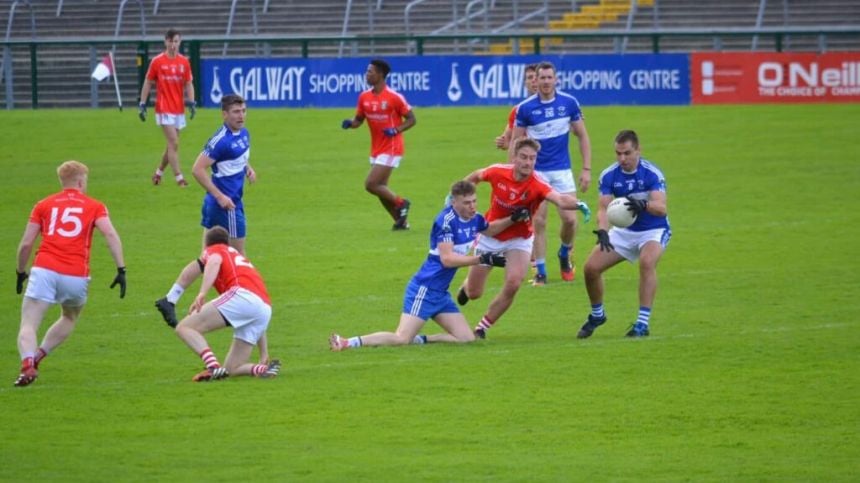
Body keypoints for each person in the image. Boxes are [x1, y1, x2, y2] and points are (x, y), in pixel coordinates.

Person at [329, 180, 527, 351]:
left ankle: (420, 339)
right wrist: (482, 259)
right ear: (454, 202)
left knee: (466, 339)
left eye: (474, 201)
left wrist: (512, 219)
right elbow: (447, 259)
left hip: (441, 293)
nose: (472, 206)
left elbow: (490, 230)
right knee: (400, 338)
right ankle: (347, 342)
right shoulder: (446, 221)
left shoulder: (474, 219)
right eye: (467, 203)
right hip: (424, 288)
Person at [13, 161, 126, 387]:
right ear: (81, 181)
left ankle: (27, 363)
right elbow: (110, 235)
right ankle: (38, 357)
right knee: (69, 317)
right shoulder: (95, 206)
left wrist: (20, 271)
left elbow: (26, 244)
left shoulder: (43, 205)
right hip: (76, 274)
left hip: (44, 269)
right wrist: (121, 269)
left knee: (29, 324)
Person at [457, 138, 584, 339]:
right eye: (524, 157)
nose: (528, 162)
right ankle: (466, 286)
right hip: (490, 235)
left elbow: (559, 199)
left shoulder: (538, 184)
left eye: (532, 158)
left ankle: (482, 327)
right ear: (514, 157)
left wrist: (578, 204)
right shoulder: (498, 171)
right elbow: (476, 176)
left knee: (514, 282)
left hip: (520, 239)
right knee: (474, 293)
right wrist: (459, 197)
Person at [577, 130, 671, 339]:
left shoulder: (652, 174)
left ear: (638, 150)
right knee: (591, 269)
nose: (622, 159)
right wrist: (602, 230)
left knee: (647, 262)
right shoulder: (609, 175)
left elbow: (661, 208)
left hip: (653, 230)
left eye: (627, 153)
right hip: (623, 232)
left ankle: (642, 324)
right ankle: (597, 315)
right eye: (618, 153)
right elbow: (603, 207)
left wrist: (644, 205)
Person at [510, 61, 592, 285]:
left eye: (549, 78)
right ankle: (541, 272)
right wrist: (512, 173)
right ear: (535, 81)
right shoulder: (526, 108)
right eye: (542, 78)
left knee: (570, 220)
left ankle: (565, 253)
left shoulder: (569, 103)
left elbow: (582, 136)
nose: (545, 82)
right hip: (536, 173)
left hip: (562, 171)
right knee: (539, 221)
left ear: (556, 79)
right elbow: (516, 141)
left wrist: (586, 169)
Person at [171, 226, 280, 381]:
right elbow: (255, 310)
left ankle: (213, 367)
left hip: (242, 297)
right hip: (264, 308)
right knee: (232, 369)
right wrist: (264, 353)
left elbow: (214, 261)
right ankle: (264, 368)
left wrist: (202, 292)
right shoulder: (237, 257)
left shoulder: (215, 250)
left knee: (184, 327)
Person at [341, 59, 417, 230]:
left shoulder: (394, 97)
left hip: (392, 147)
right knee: (381, 189)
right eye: (367, 72)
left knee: (371, 184)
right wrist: (350, 124)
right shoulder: (364, 97)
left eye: (370, 72)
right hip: (376, 149)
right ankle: (401, 223)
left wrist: (396, 130)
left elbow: (412, 119)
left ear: (381, 74)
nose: (367, 75)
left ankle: (402, 202)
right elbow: (359, 120)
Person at [192, 93, 255, 256]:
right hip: (228, 205)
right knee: (238, 257)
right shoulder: (220, 141)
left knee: (206, 258)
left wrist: (247, 168)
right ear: (224, 114)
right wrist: (220, 197)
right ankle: (242, 283)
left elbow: (238, 156)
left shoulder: (244, 133)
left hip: (217, 204)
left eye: (243, 110)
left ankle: (180, 284)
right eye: (236, 112)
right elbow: (197, 169)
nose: (241, 115)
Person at [138, 28, 196, 187]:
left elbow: (189, 83)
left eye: (176, 41)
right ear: (165, 42)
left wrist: (192, 102)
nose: (173, 45)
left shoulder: (184, 62)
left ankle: (158, 174)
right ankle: (180, 179)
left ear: (180, 42)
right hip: (163, 107)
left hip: (178, 108)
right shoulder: (157, 61)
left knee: (172, 144)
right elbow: (148, 82)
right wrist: (142, 103)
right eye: (170, 41)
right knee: (174, 142)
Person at [494, 63, 538, 151]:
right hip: (528, 161)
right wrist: (502, 142)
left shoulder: (557, 106)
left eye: (536, 77)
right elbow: (507, 141)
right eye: (529, 77)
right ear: (525, 83)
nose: (534, 80)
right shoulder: (518, 110)